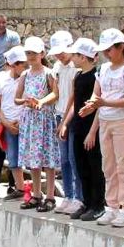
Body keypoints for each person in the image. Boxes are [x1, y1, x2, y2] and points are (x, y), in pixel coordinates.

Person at [82, 28, 124, 228]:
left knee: (123, 165)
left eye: (110, 49)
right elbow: (96, 94)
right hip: (105, 120)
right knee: (108, 165)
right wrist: (90, 106)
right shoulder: (103, 70)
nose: (107, 54)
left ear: (121, 47)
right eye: (105, 50)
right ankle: (112, 206)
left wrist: (103, 102)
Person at [15, 37, 58, 212]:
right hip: (30, 119)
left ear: (42, 54)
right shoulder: (25, 74)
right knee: (33, 158)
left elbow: (56, 93)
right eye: (28, 53)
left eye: (34, 53)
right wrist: (26, 100)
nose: (31, 56)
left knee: (47, 158)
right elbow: (16, 98)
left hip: (44, 119)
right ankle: (36, 194)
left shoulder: (48, 73)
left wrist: (41, 102)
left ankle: (50, 196)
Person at [67, 38, 105, 220]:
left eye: (75, 55)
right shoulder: (78, 76)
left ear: (83, 57)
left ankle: (98, 204)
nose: (72, 58)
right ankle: (87, 202)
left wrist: (92, 132)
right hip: (78, 127)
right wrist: (67, 123)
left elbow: (97, 105)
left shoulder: (96, 76)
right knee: (81, 167)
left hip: (92, 129)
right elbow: (75, 104)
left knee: (94, 167)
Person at [0, 46, 27, 202]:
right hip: (5, 124)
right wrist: (5, 123)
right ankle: (13, 186)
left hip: (23, 124)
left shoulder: (27, 78)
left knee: (22, 158)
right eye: (22, 65)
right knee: (9, 157)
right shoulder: (0, 79)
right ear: (13, 64)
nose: (25, 68)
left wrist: (21, 121)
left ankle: (20, 187)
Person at [49, 31, 81, 214]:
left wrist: (65, 123)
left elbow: (74, 98)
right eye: (57, 52)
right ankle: (68, 195)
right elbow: (56, 93)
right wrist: (40, 102)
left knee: (73, 157)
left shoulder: (76, 68)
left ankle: (78, 196)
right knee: (64, 160)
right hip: (59, 115)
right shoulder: (57, 68)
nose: (60, 55)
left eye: (62, 51)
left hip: (72, 117)